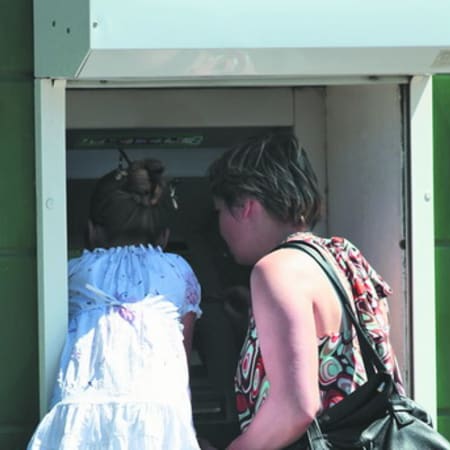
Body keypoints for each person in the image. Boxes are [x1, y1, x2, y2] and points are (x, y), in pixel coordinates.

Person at [206, 133, 405, 449]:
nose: (219, 228)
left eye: (219, 211)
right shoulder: (343, 257)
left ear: (245, 205)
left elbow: (295, 407)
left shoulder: (276, 269)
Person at [27, 157, 203, 450]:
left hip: (82, 419)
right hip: (157, 419)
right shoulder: (178, 270)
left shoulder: (75, 273)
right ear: (164, 237)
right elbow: (182, 356)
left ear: (92, 231)